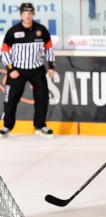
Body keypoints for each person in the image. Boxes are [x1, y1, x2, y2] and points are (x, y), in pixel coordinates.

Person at [0, 2, 55, 138]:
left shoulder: (41, 30)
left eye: (30, 13)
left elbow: (49, 48)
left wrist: (51, 67)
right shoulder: (13, 31)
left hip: (37, 69)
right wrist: (10, 68)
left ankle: (40, 126)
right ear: (21, 14)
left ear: (33, 14)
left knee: (42, 98)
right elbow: (5, 51)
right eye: (25, 13)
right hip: (17, 70)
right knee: (11, 98)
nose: (28, 15)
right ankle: (7, 127)